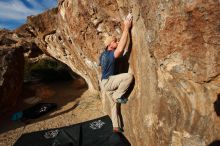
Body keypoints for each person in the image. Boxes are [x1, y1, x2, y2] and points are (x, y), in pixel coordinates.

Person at [100, 13, 134, 133]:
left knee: (114, 105)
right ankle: (118, 95)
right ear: (110, 45)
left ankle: (116, 127)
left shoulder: (103, 55)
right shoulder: (110, 54)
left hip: (105, 83)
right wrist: (127, 27)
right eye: (115, 41)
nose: (118, 42)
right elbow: (120, 50)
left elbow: (118, 53)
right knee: (128, 76)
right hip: (109, 82)